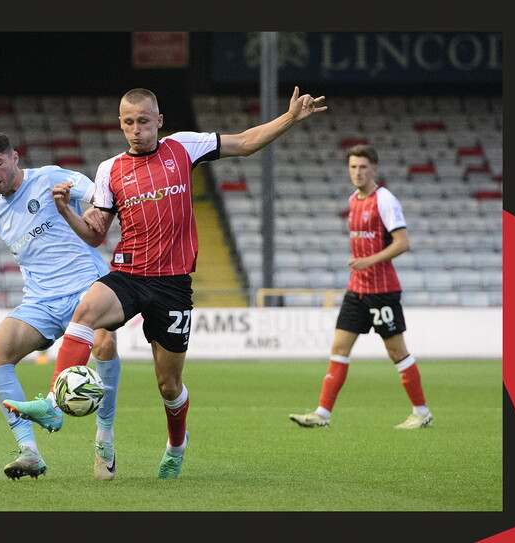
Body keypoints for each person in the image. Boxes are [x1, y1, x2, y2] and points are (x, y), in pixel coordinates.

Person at [25, 86, 327, 479]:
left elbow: (245, 143)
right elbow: (97, 233)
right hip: (129, 274)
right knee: (85, 312)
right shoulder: (109, 170)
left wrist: (288, 118)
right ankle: (52, 400)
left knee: (169, 386)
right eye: (129, 123)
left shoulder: (183, 148)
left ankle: (176, 444)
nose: (136, 130)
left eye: (144, 121)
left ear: (159, 121)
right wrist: (66, 210)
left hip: (172, 285)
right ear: (120, 124)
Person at [0, 131, 122, 481]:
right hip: (41, 300)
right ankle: (29, 452)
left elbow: (103, 196)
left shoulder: (51, 177)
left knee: (104, 344)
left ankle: (104, 437)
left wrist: (89, 216)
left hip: (88, 288)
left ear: (15, 157)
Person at [289, 144, 433, 430]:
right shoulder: (353, 200)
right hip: (356, 290)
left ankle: (421, 412)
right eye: (353, 167)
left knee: (396, 352)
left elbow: (403, 243)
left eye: (363, 167)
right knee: (339, 348)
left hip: (382, 292)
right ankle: (322, 414)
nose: (357, 172)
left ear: (374, 169)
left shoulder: (385, 200)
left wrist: (370, 260)